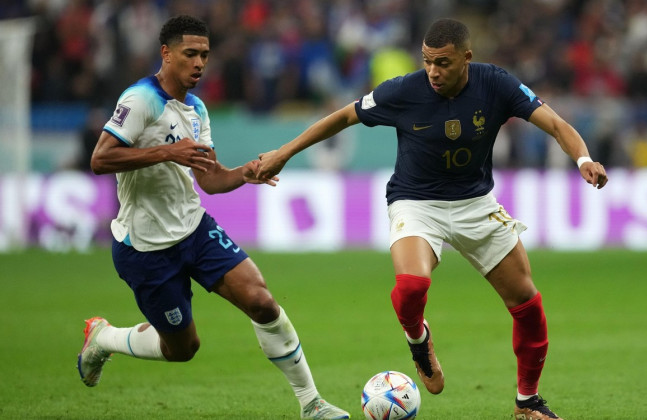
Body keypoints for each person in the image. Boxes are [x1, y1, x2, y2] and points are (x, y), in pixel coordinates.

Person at [257, 18, 608, 420]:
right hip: (415, 202)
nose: (433, 72)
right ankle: (418, 340)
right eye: (427, 61)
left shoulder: (496, 84)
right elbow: (342, 117)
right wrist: (284, 152)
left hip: (476, 203)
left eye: (442, 62)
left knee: (527, 303)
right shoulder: (405, 90)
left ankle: (527, 403)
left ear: (466, 58)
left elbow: (557, 124)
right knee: (411, 286)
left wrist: (583, 158)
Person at [77, 15, 349, 420]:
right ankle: (105, 337)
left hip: (194, 228)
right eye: (190, 54)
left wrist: (247, 173)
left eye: (205, 54)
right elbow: (100, 159)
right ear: (166, 54)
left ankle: (311, 404)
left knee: (261, 301)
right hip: (146, 248)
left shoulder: (197, 108)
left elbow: (210, 180)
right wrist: (167, 152)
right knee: (183, 349)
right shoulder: (140, 100)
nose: (200, 63)